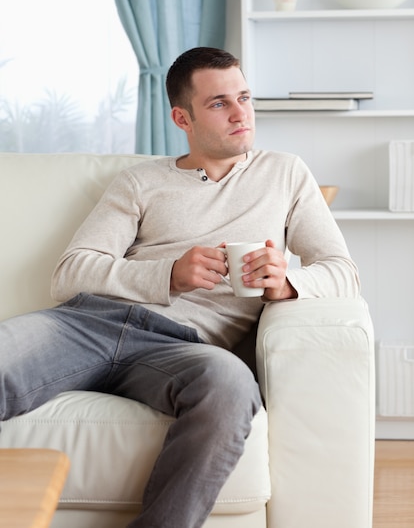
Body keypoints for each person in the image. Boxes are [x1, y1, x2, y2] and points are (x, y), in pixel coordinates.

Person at [0, 47, 360, 528]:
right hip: (88, 325)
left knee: (231, 387)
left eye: (245, 98)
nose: (240, 114)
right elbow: (71, 272)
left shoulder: (286, 174)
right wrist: (168, 274)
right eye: (218, 103)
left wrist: (286, 282)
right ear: (181, 117)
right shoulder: (140, 182)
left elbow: (342, 270)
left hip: (184, 347)